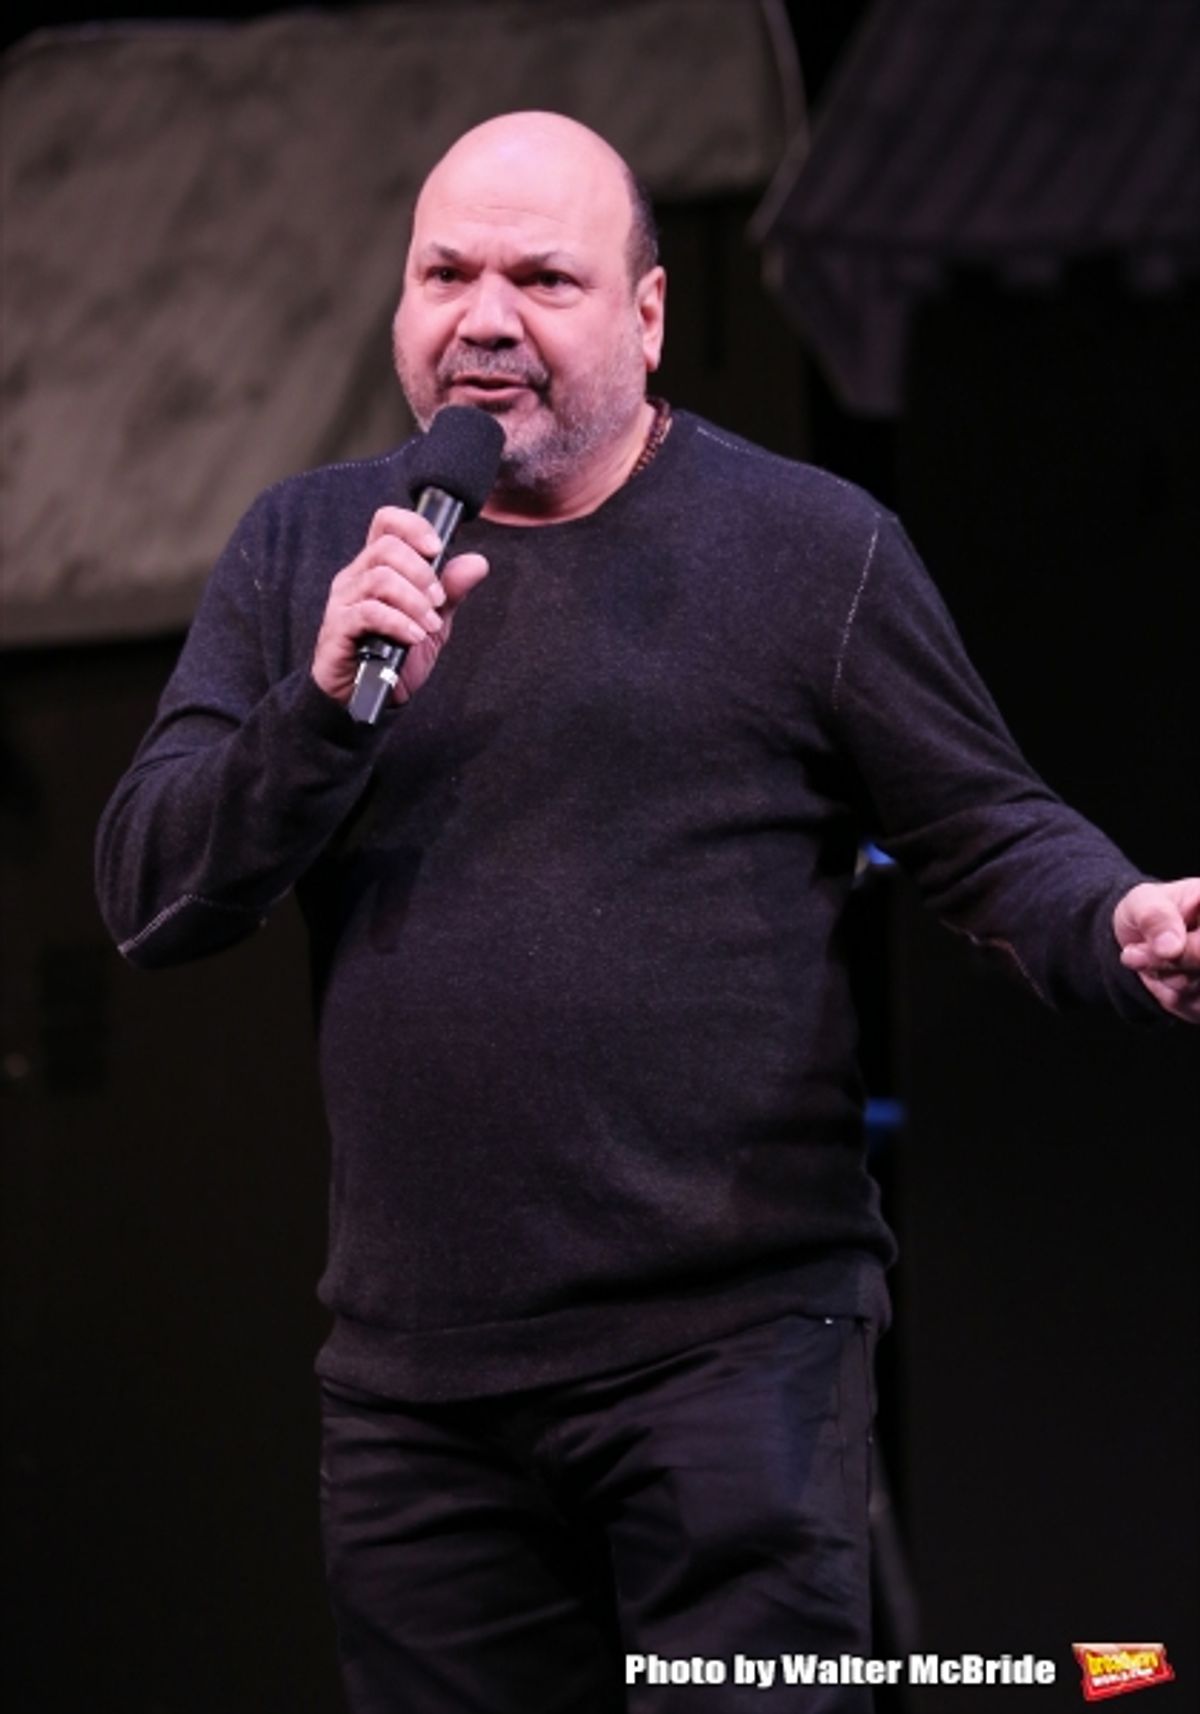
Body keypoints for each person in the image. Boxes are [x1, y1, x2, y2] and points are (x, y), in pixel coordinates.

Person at [95, 111, 1200, 1713]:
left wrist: (1118, 924)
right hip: (420, 1398)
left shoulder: (808, 548)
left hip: (728, 1356)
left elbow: (985, 830)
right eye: (445, 273)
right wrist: (322, 704)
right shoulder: (308, 553)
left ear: (650, 313)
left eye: (543, 277)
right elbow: (151, 889)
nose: (484, 318)